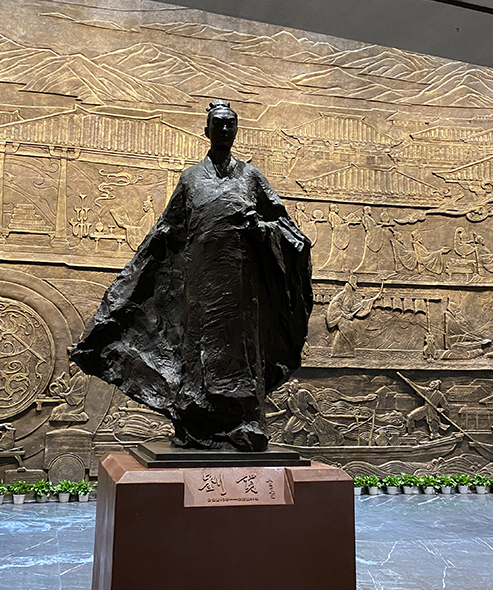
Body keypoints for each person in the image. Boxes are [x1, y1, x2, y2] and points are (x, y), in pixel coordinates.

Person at [71, 100, 313, 452]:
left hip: (242, 287)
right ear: (207, 130)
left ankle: (245, 423)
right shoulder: (191, 178)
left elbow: (288, 231)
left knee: (240, 353)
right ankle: (195, 425)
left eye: (230, 124)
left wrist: (261, 230)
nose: (225, 130)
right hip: (200, 282)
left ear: (236, 130)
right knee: (199, 350)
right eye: (219, 124)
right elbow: (169, 226)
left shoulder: (251, 177)